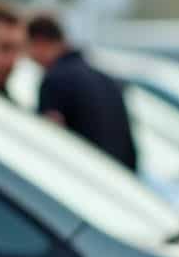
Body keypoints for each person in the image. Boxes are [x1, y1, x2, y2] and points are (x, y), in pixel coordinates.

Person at [25, 14, 138, 171]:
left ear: (40, 43)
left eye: (27, 47)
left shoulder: (55, 81)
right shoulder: (103, 78)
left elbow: (50, 141)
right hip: (117, 180)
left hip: (84, 177)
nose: (28, 57)